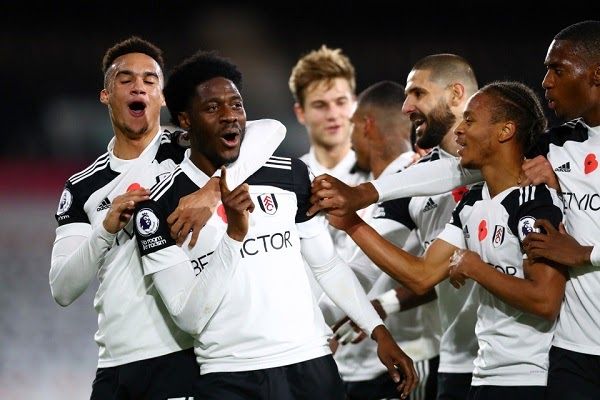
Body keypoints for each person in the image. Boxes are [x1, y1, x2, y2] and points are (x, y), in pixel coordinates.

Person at [309, 19, 600, 400]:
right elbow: (448, 183)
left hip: (530, 367)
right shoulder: (545, 153)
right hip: (547, 355)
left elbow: (544, 298)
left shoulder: (531, 194)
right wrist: (360, 202)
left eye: (557, 69)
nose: (546, 81)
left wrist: (586, 253)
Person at [132, 49, 418, 400]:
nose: (229, 116)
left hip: (311, 364)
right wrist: (234, 238)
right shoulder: (159, 208)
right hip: (230, 375)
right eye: (212, 108)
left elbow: (327, 265)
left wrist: (378, 331)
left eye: (236, 105)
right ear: (185, 120)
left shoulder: (289, 174)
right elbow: (188, 318)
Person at [49, 36, 286, 399]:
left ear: (161, 97)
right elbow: (63, 289)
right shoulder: (83, 186)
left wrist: (211, 191)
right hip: (116, 362)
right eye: (126, 79)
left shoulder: (189, 151)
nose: (138, 86)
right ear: (106, 95)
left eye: (150, 80)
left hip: (185, 355)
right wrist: (105, 229)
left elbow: (271, 129)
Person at [328, 81, 567, 400]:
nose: (459, 131)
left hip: (530, 378)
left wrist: (476, 269)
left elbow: (545, 301)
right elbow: (421, 275)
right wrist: (351, 223)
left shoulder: (535, 201)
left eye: (470, 121)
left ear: (505, 130)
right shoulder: (471, 203)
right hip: (483, 372)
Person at [332, 54, 479, 400]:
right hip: (457, 362)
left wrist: (361, 196)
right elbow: (366, 267)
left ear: (456, 94)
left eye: (418, 93)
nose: (406, 107)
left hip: (529, 360)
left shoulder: (519, 162)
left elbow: (458, 172)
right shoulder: (410, 180)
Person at [319, 80, 441, 400]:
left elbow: (443, 270)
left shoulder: (422, 181)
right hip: (354, 362)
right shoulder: (360, 189)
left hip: (407, 357)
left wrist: (383, 306)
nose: (350, 141)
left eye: (353, 127)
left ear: (367, 125)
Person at [289, 44, 369, 262]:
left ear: (354, 104)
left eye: (341, 102)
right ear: (301, 112)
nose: (333, 114)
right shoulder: (288, 180)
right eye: (320, 105)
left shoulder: (380, 173)